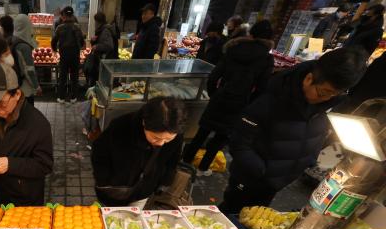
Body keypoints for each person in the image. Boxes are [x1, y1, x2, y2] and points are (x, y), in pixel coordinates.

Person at [219, 46, 368, 214]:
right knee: (231, 213)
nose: (326, 99)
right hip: (251, 178)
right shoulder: (272, 99)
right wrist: (261, 170)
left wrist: (308, 159)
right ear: (309, 79)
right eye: (323, 93)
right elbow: (239, 142)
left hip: (278, 181)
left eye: (334, 95)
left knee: (254, 215)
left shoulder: (326, 104)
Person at [183, 20, 275, 176]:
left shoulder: (233, 49)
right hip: (240, 103)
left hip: (220, 96)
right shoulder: (266, 59)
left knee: (202, 132)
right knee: (220, 138)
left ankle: (185, 162)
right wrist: (248, 103)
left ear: (251, 34)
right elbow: (261, 88)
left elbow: (213, 77)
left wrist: (214, 94)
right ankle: (202, 168)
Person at [0, 62, 53, 206]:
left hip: (27, 199)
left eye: (1, 103)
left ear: (16, 94)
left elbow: (44, 165)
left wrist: (10, 164)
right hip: (1, 193)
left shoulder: (38, 124)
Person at [91, 97, 184, 208]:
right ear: (144, 123)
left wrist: (164, 182)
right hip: (115, 190)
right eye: (156, 138)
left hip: (144, 190)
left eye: (168, 139)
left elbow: (172, 161)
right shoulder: (120, 127)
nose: (161, 144)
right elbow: (99, 153)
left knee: (133, 219)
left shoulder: (176, 131)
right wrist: (103, 180)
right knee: (109, 218)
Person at [52, 6, 84, 103]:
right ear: (72, 15)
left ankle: (61, 98)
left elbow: (53, 41)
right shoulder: (77, 27)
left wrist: (55, 50)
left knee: (63, 76)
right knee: (74, 77)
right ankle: (73, 97)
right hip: (75, 55)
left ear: (64, 16)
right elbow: (82, 42)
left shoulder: (59, 27)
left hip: (64, 55)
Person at [12, 14, 41, 104]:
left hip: (16, 83)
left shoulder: (14, 39)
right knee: (27, 110)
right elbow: (29, 70)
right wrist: (37, 87)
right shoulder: (24, 46)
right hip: (25, 87)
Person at [85, 12, 117, 87]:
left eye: (95, 21)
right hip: (101, 60)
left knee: (99, 79)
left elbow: (109, 46)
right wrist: (93, 40)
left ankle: (96, 93)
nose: (95, 23)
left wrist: (97, 46)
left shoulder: (105, 30)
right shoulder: (102, 29)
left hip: (104, 60)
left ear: (98, 21)